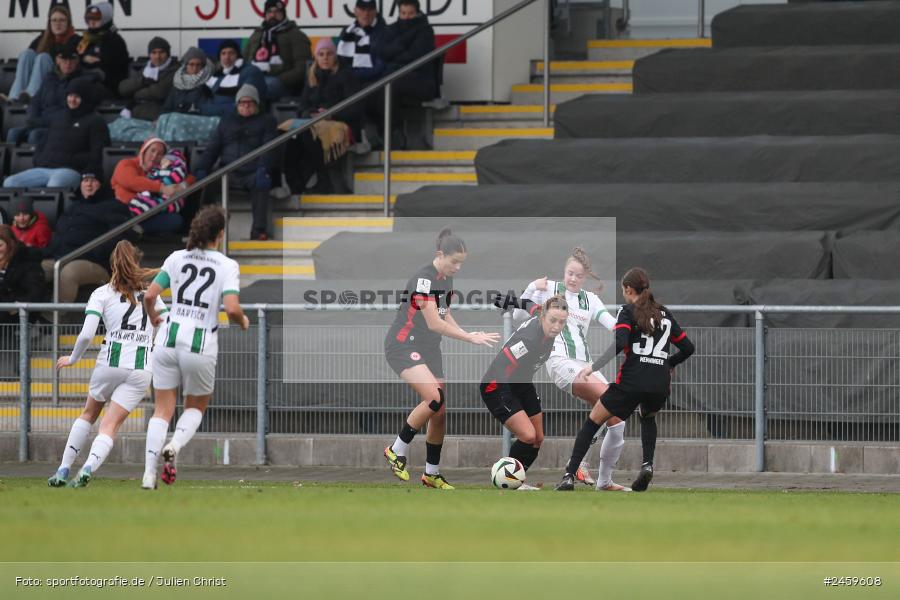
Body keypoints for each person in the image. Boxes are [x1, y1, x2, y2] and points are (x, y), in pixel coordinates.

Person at [554, 268, 695, 492]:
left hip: (632, 381)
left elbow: (620, 343)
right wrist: (669, 364)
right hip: (659, 384)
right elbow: (688, 347)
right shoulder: (664, 314)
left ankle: (569, 476)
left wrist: (593, 367)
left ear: (629, 290)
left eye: (623, 291)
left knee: (593, 421)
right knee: (647, 418)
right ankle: (647, 465)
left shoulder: (628, 311)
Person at [383, 228, 500, 489]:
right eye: (454, 261)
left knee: (440, 411)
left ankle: (431, 474)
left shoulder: (445, 279)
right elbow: (434, 323)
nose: (458, 267)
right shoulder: (423, 280)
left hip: (429, 349)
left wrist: (466, 332)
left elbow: (445, 315)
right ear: (440, 255)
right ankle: (396, 449)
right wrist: (469, 338)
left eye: (461, 263)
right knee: (434, 398)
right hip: (403, 345)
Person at [141, 206, 249, 489]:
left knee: (161, 410)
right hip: (200, 343)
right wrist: (242, 321)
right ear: (220, 234)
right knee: (196, 407)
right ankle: (174, 445)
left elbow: (150, 295)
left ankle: (149, 474)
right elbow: (232, 307)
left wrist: (153, 317)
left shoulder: (176, 258)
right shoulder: (226, 265)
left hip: (167, 337)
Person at [48, 241, 167, 488]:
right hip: (140, 367)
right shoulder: (151, 294)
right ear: (137, 263)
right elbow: (166, 324)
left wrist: (73, 358)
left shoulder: (102, 293)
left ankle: (63, 469)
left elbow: (86, 334)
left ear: (112, 264)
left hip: (109, 363)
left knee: (89, 413)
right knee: (110, 425)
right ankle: (89, 466)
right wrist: (152, 347)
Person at [517, 247, 629, 490]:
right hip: (560, 361)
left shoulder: (591, 299)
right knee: (607, 400)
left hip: (585, 365)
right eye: (570, 273)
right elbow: (517, 313)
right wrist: (532, 287)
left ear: (585, 277)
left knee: (617, 415)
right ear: (564, 272)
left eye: (578, 275)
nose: (573, 279)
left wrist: (628, 322)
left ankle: (602, 479)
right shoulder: (549, 289)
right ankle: (579, 467)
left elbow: (613, 326)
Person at [482, 293, 569, 490]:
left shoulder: (540, 312)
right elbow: (501, 368)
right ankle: (507, 478)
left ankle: (518, 481)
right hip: (497, 386)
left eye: (561, 322)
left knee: (538, 438)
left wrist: (510, 300)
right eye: (553, 321)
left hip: (522, 384)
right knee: (528, 436)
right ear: (543, 317)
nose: (556, 326)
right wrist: (506, 399)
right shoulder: (529, 339)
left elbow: (529, 304)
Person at [195, 85, 278, 241]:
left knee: (262, 184)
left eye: (250, 102)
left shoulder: (267, 121)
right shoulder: (227, 122)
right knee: (206, 185)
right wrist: (201, 169)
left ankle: (258, 231)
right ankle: (204, 231)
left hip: (253, 171)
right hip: (228, 171)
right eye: (242, 102)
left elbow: (270, 148)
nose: (246, 105)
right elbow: (213, 148)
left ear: (257, 104)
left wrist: (263, 168)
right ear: (237, 104)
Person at [42, 172, 133, 304]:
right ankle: (27, 315)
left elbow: (119, 237)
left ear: (101, 185)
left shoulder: (113, 206)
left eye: (93, 180)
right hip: (62, 257)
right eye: (85, 180)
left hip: (96, 263)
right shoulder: (72, 207)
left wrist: (93, 253)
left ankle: (54, 319)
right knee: (35, 269)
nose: (89, 184)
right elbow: (58, 236)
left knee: (69, 272)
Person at [284, 38, 360, 195]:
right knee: (286, 136)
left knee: (307, 132)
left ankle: (324, 178)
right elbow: (302, 106)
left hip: (341, 124)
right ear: (316, 57)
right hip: (315, 123)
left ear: (335, 56)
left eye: (329, 54)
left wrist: (331, 114)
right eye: (321, 54)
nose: (325, 58)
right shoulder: (312, 76)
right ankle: (296, 184)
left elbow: (355, 107)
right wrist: (310, 113)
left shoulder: (347, 75)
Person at [3, 78, 109, 190]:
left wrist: (70, 159)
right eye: (70, 95)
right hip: (44, 168)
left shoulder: (95, 121)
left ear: (85, 98)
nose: (72, 100)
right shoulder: (59, 117)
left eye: (77, 97)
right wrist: (39, 159)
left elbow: (97, 154)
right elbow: (43, 142)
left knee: (55, 185)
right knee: (10, 183)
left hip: (71, 170)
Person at [9, 39, 96, 146]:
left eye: (72, 59)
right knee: (12, 133)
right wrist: (32, 119)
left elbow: (70, 113)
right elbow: (35, 102)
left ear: (77, 60)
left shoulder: (82, 82)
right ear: (57, 60)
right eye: (64, 59)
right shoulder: (49, 78)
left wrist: (37, 122)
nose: (68, 63)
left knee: (35, 135)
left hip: (63, 127)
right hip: (40, 123)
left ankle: (38, 162)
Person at [111, 138, 191, 236]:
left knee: (176, 220)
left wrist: (182, 185)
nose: (155, 156)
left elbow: (190, 177)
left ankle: (135, 229)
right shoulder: (126, 163)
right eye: (152, 151)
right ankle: (130, 229)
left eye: (160, 153)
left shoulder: (158, 172)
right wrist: (162, 188)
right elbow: (131, 181)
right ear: (144, 151)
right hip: (126, 209)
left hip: (151, 211)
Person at [3, 5, 79, 104]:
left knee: (43, 58)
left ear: (68, 22)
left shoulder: (75, 40)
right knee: (27, 54)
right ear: (49, 23)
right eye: (54, 20)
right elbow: (28, 58)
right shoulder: (43, 38)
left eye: (62, 20)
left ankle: (31, 96)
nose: (58, 24)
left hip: (59, 80)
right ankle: (14, 97)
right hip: (42, 80)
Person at [243, 0, 312, 100]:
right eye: (269, 12)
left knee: (262, 86)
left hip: (283, 83)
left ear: (283, 14)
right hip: (254, 77)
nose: (273, 15)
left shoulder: (296, 35)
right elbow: (244, 60)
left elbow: (302, 69)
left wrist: (280, 79)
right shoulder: (256, 35)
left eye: (277, 12)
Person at [378, 0, 439, 104]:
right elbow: (383, 53)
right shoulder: (390, 29)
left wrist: (394, 54)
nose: (406, 17)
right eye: (403, 13)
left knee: (388, 86)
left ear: (418, 13)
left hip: (421, 80)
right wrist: (403, 45)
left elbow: (415, 57)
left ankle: (393, 120)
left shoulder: (426, 31)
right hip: (393, 76)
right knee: (374, 86)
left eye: (411, 14)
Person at [118, 37, 179, 122]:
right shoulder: (146, 69)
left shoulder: (175, 70)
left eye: (161, 52)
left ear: (168, 54)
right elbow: (123, 88)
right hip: (137, 112)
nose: (157, 56)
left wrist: (135, 92)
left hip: (158, 115)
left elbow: (159, 92)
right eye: (154, 53)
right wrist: (142, 82)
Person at [202, 39, 268, 118]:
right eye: (223, 53)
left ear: (238, 55)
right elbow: (205, 102)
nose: (227, 57)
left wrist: (213, 109)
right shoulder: (218, 74)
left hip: (241, 120)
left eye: (231, 53)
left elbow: (246, 106)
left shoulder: (250, 71)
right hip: (216, 118)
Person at [77, 2, 130, 96]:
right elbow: (78, 57)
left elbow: (113, 65)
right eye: (89, 19)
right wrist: (85, 59)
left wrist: (91, 60)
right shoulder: (85, 39)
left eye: (97, 19)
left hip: (108, 86)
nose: (92, 22)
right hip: (86, 80)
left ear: (105, 19)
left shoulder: (114, 39)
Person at [0, 225, 47, 324]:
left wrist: (13, 306)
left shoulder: (27, 262)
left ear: (11, 244)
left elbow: (35, 292)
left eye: (0, 245)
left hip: (19, 316)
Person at [337, 0, 387, 83]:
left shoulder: (385, 32)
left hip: (375, 84)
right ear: (355, 11)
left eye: (370, 10)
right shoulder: (347, 32)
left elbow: (382, 64)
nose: (366, 14)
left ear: (375, 12)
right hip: (347, 83)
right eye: (362, 9)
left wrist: (353, 75)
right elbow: (339, 61)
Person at [163, 47, 214, 115]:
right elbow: (167, 108)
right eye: (191, 64)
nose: (195, 68)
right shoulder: (178, 82)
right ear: (186, 65)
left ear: (203, 66)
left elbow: (204, 109)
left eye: (198, 65)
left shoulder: (207, 84)